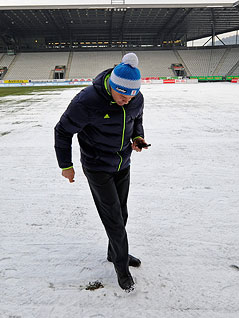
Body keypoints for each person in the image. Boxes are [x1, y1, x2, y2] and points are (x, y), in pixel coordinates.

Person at [54, 52, 149, 292]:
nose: (127, 99)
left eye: (132, 94)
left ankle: (113, 252)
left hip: (122, 164)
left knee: (122, 213)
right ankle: (121, 267)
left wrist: (137, 136)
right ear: (112, 86)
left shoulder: (135, 99)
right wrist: (66, 165)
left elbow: (136, 119)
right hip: (97, 167)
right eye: (122, 94)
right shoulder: (87, 101)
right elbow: (62, 131)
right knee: (114, 220)